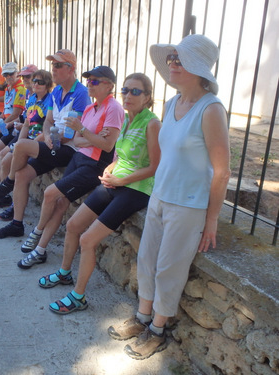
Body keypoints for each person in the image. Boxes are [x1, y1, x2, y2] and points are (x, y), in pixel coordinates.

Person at [108, 34, 230, 360]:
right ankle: (142, 318)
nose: (172, 63)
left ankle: (157, 331)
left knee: (169, 270)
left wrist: (212, 218)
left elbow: (222, 171)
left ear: (197, 66)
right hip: (160, 197)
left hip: (189, 206)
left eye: (179, 59)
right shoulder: (173, 102)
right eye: (172, 57)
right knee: (147, 262)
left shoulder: (211, 109)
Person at [38, 73, 161, 317]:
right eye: (125, 90)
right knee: (73, 225)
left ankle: (78, 296)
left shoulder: (152, 123)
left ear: (147, 97)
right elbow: (119, 155)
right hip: (114, 181)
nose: (128, 95)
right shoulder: (126, 119)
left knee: (88, 239)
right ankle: (64, 273)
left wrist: (121, 179)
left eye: (135, 91)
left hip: (136, 189)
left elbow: (155, 166)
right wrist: (110, 168)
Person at [17, 66, 124, 269]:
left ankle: (37, 232)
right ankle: (40, 250)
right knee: (60, 203)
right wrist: (91, 137)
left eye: (95, 81)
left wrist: (84, 132)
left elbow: (107, 145)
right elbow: (76, 139)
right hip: (79, 158)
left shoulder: (114, 108)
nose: (89, 84)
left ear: (109, 85)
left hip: (94, 166)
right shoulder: (91, 108)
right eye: (89, 80)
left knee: (50, 193)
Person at [0, 49, 91, 239]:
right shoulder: (57, 91)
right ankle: (16, 224)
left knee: (20, 146)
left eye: (58, 65)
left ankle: (6, 182)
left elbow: (69, 135)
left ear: (71, 69)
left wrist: (52, 138)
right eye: (53, 65)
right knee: (21, 174)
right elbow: (48, 122)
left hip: (68, 149)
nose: (54, 69)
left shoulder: (81, 93)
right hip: (52, 144)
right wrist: (47, 135)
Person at [0, 67, 52, 206]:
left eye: (39, 82)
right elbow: (24, 120)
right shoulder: (32, 98)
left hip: (36, 141)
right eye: (33, 80)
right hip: (23, 135)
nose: (34, 83)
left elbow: (46, 126)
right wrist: (11, 127)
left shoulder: (49, 101)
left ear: (47, 85)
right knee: (1, 153)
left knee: (4, 157)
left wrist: (13, 128)